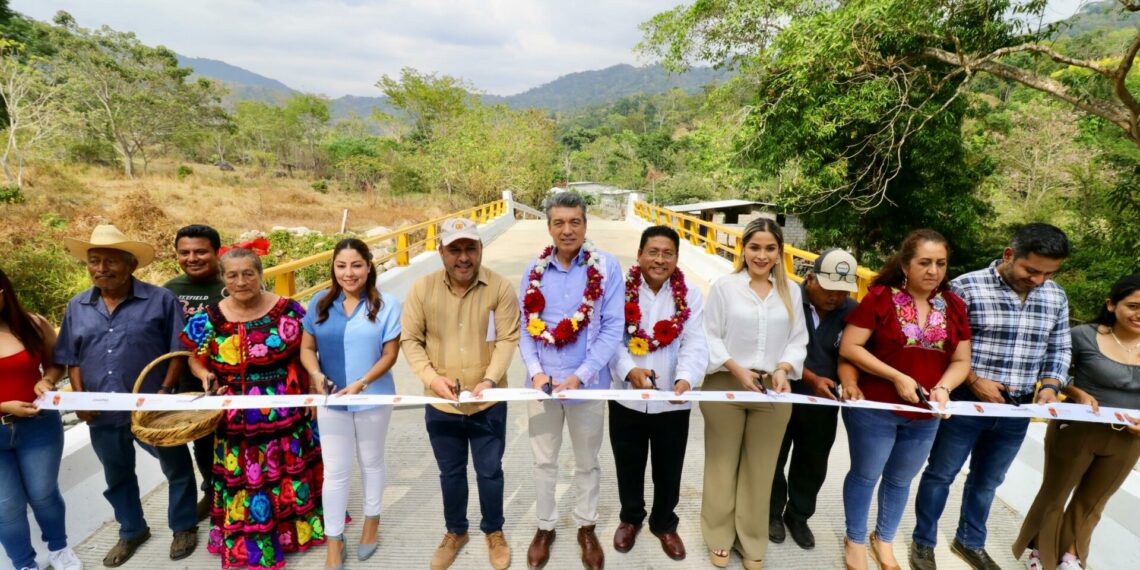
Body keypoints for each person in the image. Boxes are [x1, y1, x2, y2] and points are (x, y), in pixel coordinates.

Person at [910, 223, 1072, 570]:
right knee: (941, 474)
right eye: (1031, 270)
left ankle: (969, 541)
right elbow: (940, 344)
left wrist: (1050, 386)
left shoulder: (1056, 296)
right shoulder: (966, 287)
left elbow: (1059, 347)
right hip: (966, 400)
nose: (1038, 280)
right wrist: (974, 378)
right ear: (1010, 255)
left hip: (1017, 408)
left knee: (988, 481)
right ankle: (924, 542)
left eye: (1047, 273)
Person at [54, 224, 199, 567]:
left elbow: (177, 350)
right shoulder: (78, 306)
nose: (101, 268)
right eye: (94, 260)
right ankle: (132, 530)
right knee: (116, 475)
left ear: (131, 265)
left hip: (154, 409)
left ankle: (183, 525)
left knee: (176, 468)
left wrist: (163, 393)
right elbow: (70, 357)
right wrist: (81, 399)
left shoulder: (160, 299)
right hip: (101, 413)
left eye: (110, 261)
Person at [181, 248, 325, 569]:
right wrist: (205, 373)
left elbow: (311, 350)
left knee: (286, 467)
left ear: (261, 274)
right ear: (223, 278)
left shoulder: (288, 311)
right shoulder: (210, 317)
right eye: (232, 275)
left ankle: (291, 532)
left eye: (249, 273)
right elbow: (193, 356)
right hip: (235, 413)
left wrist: (313, 390)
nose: (241, 281)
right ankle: (254, 538)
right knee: (246, 475)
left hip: (284, 407)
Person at [837, 228, 972, 570]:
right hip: (876, 408)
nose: (933, 271)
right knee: (866, 475)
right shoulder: (881, 298)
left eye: (940, 263)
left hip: (925, 416)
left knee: (900, 480)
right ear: (906, 265)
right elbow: (850, 347)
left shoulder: (954, 305)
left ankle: (883, 540)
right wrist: (895, 376)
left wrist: (943, 387)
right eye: (924, 263)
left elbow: (960, 361)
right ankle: (854, 539)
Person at [401, 217, 521, 570]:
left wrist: (490, 379)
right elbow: (411, 340)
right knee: (450, 472)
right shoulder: (421, 289)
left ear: (481, 249)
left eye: (470, 248)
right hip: (440, 403)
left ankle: (493, 531)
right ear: (441, 252)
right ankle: (455, 531)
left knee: (489, 471)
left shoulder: (499, 288)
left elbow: (507, 338)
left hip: (488, 401)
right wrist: (432, 379)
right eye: (455, 249)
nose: (463, 257)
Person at [519, 192, 623, 570]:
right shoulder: (534, 271)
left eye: (574, 222)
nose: (567, 230)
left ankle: (586, 526)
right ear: (549, 227)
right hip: (542, 386)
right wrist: (536, 371)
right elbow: (525, 330)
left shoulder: (606, 267)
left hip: (588, 385)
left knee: (587, 461)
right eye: (559, 222)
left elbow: (613, 328)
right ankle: (545, 527)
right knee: (543, 462)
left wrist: (582, 375)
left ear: (585, 225)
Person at [1011, 273, 1140, 570]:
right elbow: (1053, 370)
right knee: (1055, 493)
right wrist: (1077, 393)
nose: (1139, 315)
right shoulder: (1083, 335)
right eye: (1133, 305)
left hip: (1129, 438)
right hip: (1076, 429)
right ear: (1111, 304)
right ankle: (1041, 553)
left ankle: (1071, 555)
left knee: (1093, 501)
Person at [701, 217, 808, 570]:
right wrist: (736, 368)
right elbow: (710, 335)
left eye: (769, 248)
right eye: (754, 247)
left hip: (773, 391)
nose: (761, 255)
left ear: (780, 252)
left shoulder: (791, 291)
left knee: (761, 469)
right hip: (725, 383)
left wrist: (782, 369)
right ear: (742, 249)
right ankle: (718, 536)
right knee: (722, 464)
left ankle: (751, 540)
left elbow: (797, 341)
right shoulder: (724, 287)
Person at [607, 225, 707, 561]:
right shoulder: (619, 288)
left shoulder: (689, 293)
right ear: (639, 254)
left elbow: (695, 342)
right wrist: (628, 370)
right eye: (653, 252)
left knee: (669, 467)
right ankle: (630, 518)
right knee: (628, 463)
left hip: (672, 401)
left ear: (677, 258)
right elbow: (611, 337)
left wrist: (686, 380)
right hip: (627, 397)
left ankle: (664, 522)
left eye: (668, 253)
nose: (659, 259)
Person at [300, 239, 401, 569]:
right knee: (335, 472)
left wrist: (362, 383)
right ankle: (334, 539)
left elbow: (390, 354)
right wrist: (315, 374)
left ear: (369, 265)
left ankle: (372, 521)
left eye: (356, 265)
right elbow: (306, 349)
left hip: (373, 396)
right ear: (333, 268)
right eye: (341, 266)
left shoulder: (387, 305)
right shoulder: (319, 303)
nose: (349, 273)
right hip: (331, 400)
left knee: (371, 460)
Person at [769, 249, 860, 550]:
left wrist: (846, 383)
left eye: (842, 290)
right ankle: (770, 513)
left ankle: (798, 515)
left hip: (823, 402)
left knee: (813, 461)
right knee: (773, 456)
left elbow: (852, 354)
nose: (836, 297)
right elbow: (772, 347)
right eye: (829, 288)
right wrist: (809, 377)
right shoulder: (786, 298)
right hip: (782, 391)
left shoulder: (852, 311)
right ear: (810, 278)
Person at [0, 268, 82, 570]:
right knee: (6, 507)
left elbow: (56, 362)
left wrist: (47, 380)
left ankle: (59, 549)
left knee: (44, 494)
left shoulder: (32, 324)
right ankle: (24, 564)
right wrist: (4, 405)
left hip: (38, 426)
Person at [164, 224, 226, 521]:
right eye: (184, 252)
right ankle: (212, 493)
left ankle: (238, 494)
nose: (192, 258)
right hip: (189, 383)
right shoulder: (169, 291)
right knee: (202, 443)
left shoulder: (232, 283)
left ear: (216, 252)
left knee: (236, 441)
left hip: (234, 381)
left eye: (201, 251)